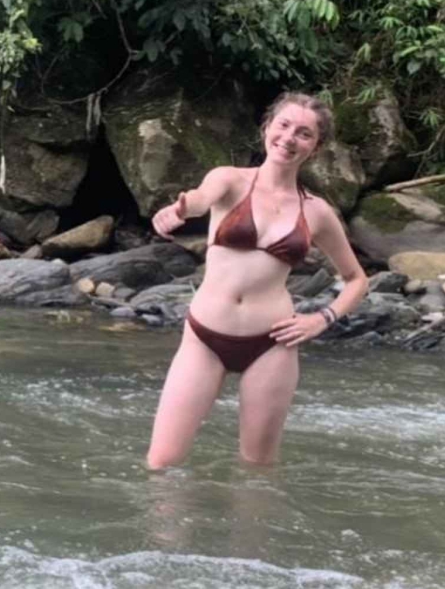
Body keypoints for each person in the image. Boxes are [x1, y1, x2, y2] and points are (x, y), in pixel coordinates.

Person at [146, 92, 368, 469]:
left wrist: (322, 319)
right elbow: (200, 199)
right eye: (283, 125)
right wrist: (181, 210)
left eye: (304, 133)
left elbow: (356, 279)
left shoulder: (317, 212)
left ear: (315, 147)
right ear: (267, 128)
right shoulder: (229, 180)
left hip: (272, 344)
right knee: (161, 463)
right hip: (204, 337)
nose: (289, 137)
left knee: (257, 469)